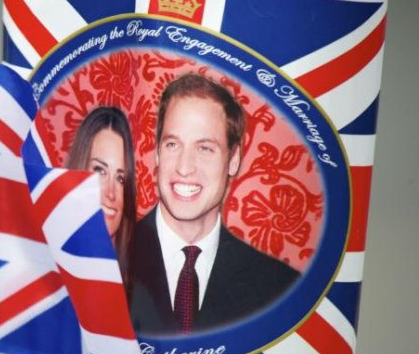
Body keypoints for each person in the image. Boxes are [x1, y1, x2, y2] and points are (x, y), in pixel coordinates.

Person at [128, 73, 299, 336]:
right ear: (158, 152)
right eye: (173, 144)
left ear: (233, 160)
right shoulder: (104, 264)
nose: (184, 167)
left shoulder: (281, 288)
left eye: (205, 148)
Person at [65, 106, 137, 290]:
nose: (111, 193)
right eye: (100, 171)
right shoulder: (47, 270)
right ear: (78, 169)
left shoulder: (139, 286)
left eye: (120, 178)